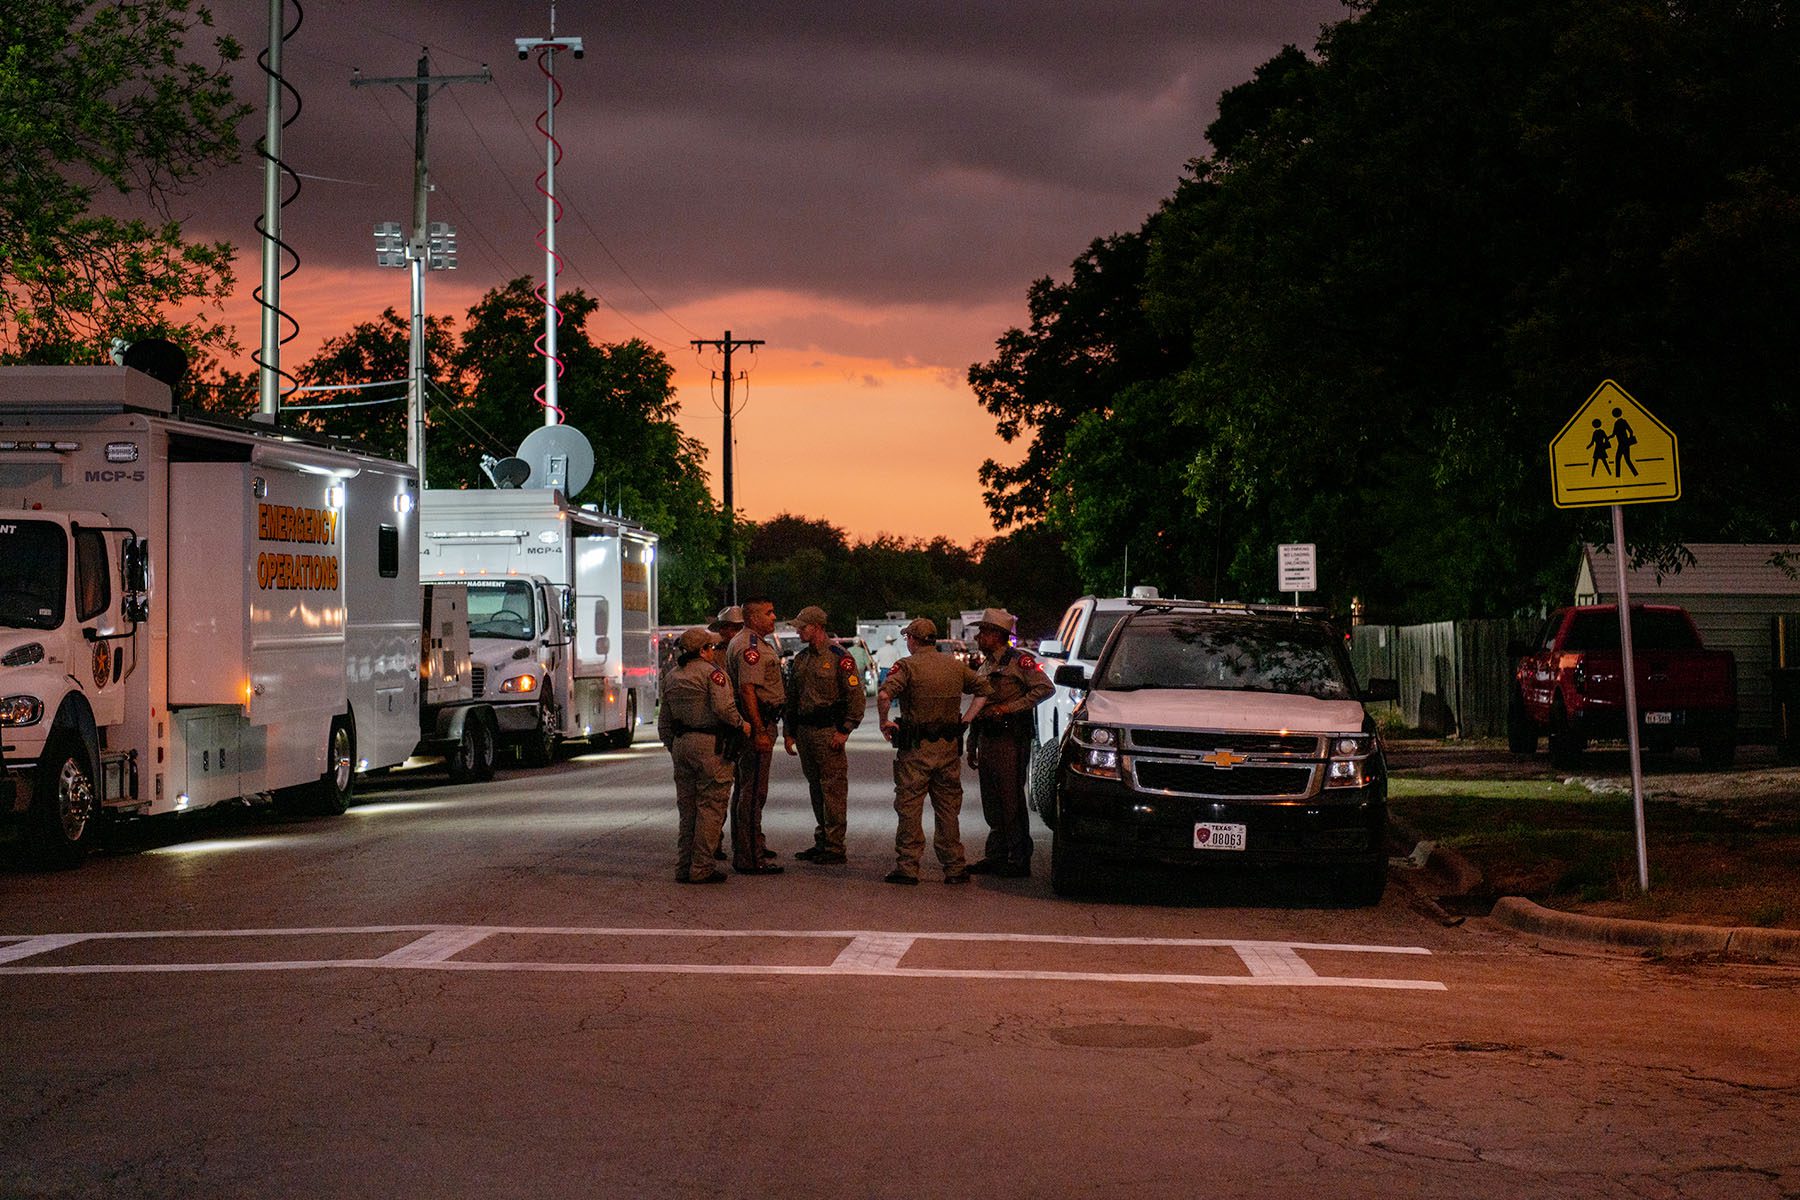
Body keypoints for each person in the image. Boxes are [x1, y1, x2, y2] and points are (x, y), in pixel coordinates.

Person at [876, 617, 993, 885]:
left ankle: (908, 866)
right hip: (948, 750)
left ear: (913, 640)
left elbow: (884, 696)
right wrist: (966, 720)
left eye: (908, 638)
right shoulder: (954, 666)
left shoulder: (907, 667)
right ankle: (954, 866)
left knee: (909, 807)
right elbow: (984, 690)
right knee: (948, 808)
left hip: (916, 751)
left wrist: (885, 721)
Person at [656, 627, 751, 884]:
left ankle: (684, 865)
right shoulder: (713, 674)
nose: (714, 651)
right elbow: (723, 708)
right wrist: (743, 725)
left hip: (682, 744)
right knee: (710, 807)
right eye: (711, 647)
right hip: (710, 745)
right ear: (703, 650)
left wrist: (673, 745)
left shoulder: (673, 676)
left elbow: (664, 721)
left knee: (687, 810)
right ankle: (701, 867)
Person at [966, 607, 1053, 878]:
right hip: (988, 738)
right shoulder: (986, 664)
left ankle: (1018, 857)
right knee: (992, 800)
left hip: (1010, 738)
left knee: (1010, 798)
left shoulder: (1019, 662)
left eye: (984, 632)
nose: (979, 636)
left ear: (997, 635)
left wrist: (1009, 708)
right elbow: (979, 706)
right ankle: (996, 855)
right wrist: (972, 743)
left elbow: (1045, 688)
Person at [784, 605, 866, 864]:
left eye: (802, 627)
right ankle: (822, 841)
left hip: (828, 731)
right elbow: (792, 699)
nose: (798, 631)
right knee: (816, 788)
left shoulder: (840, 657)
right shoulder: (801, 659)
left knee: (832, 789)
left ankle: (834, 846)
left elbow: (855, 697)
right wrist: (789, 731)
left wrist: (845, 730)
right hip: (806, 732)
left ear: (817, 627)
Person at [725, 596, 786, 875]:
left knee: (746, 789)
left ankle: (747, 849)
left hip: (756, 722)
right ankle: (750, 857)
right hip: (757, 723)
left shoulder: (753, 642)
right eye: (768, 612)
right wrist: (760, 729)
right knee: (753, 792)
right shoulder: (750, 647)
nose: (774, 617)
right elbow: (748, 689)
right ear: (752, 618)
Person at [704, 606, 746, 861]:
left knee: (747, 790)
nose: (728, 633)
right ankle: (714, 842)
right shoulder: (715, 656)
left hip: (744, 723)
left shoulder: (746, 650)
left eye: (732, 628)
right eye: (725, 629)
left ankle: (747, 842)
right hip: (725, 726)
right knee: (719, 791)